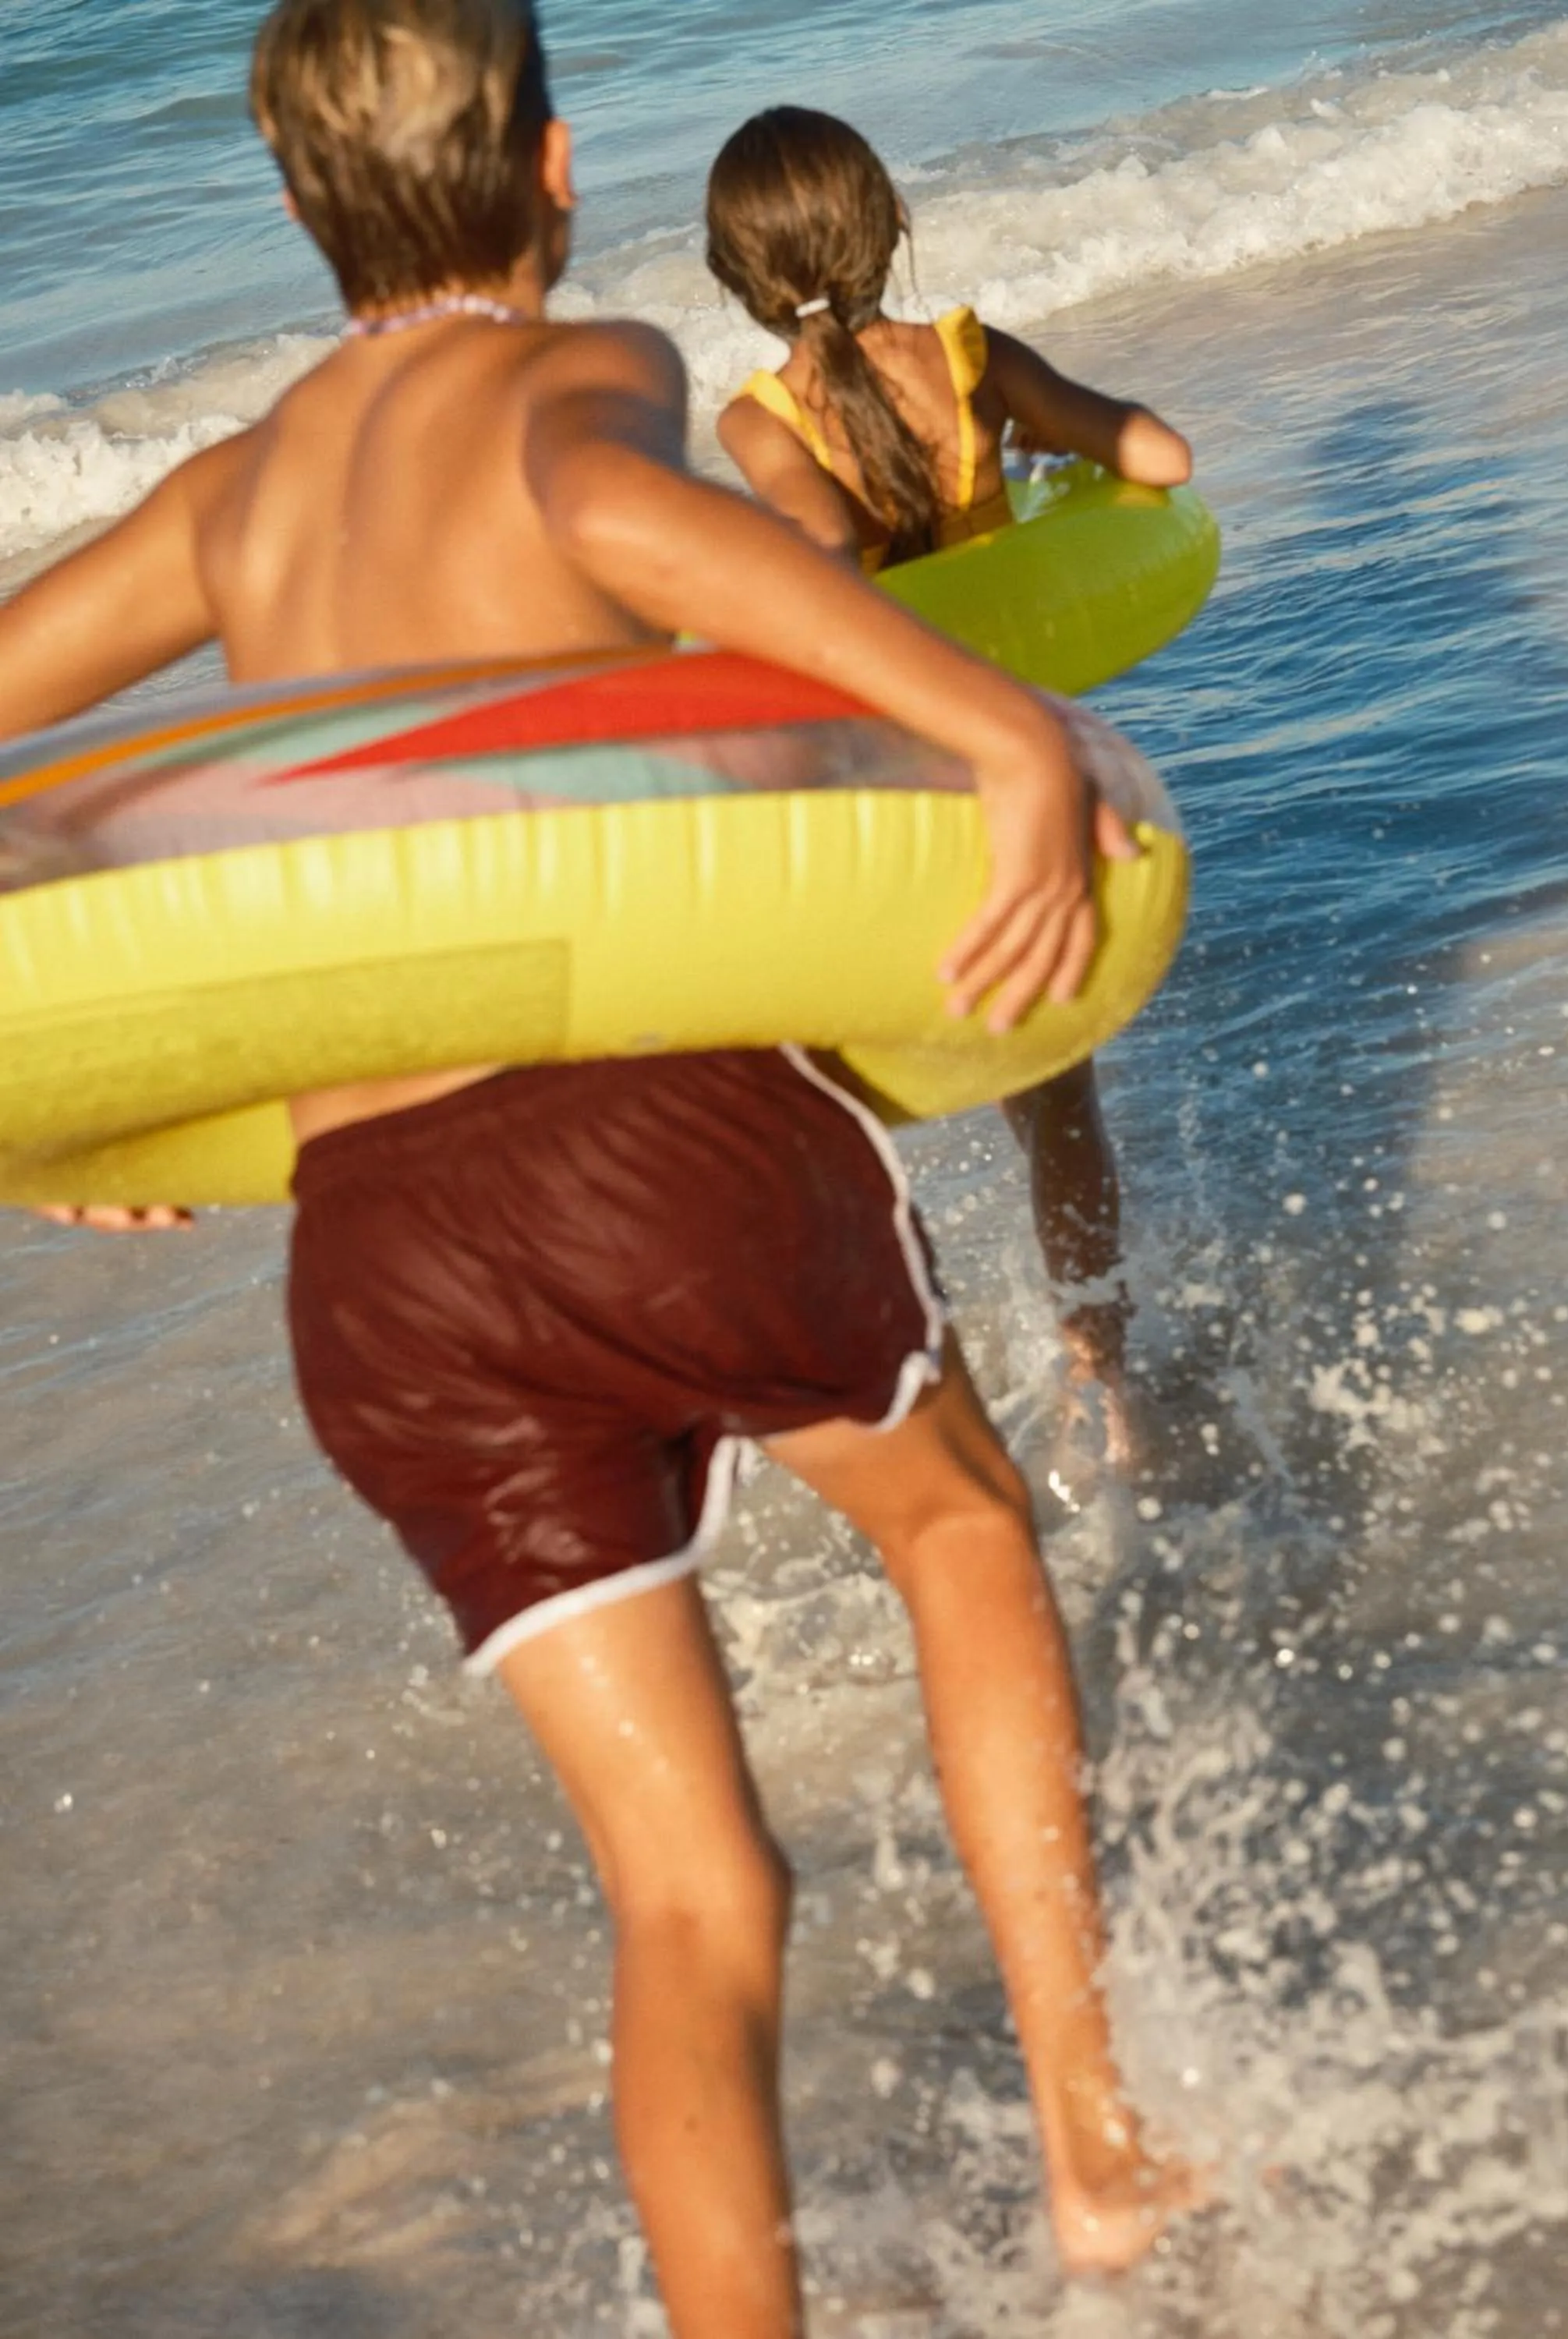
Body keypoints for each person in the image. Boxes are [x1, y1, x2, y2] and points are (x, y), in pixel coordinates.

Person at [0, 6, 1208, 2334]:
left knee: (690, 1900)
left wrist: (75, 1101)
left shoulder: (234, 490)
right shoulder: (579, 373)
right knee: (955, 1526)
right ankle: (1096, 2148)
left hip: (380, 1264)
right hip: (647, 1133)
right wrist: (1001, 732)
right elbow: (630, 527)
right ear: (555, 168)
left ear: (284, 206)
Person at [706, 106, 1195, 1459]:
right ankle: (1105, 1380)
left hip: (887, 809)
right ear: (893, 227)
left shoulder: (756, 423)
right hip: (1027, 791)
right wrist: (1030, 473)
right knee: (1056, 1110)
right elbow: (1159, 456)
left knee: (829, 1103)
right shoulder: (975, 357)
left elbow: (818, 557)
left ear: (730, 276)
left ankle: (883, 1387)